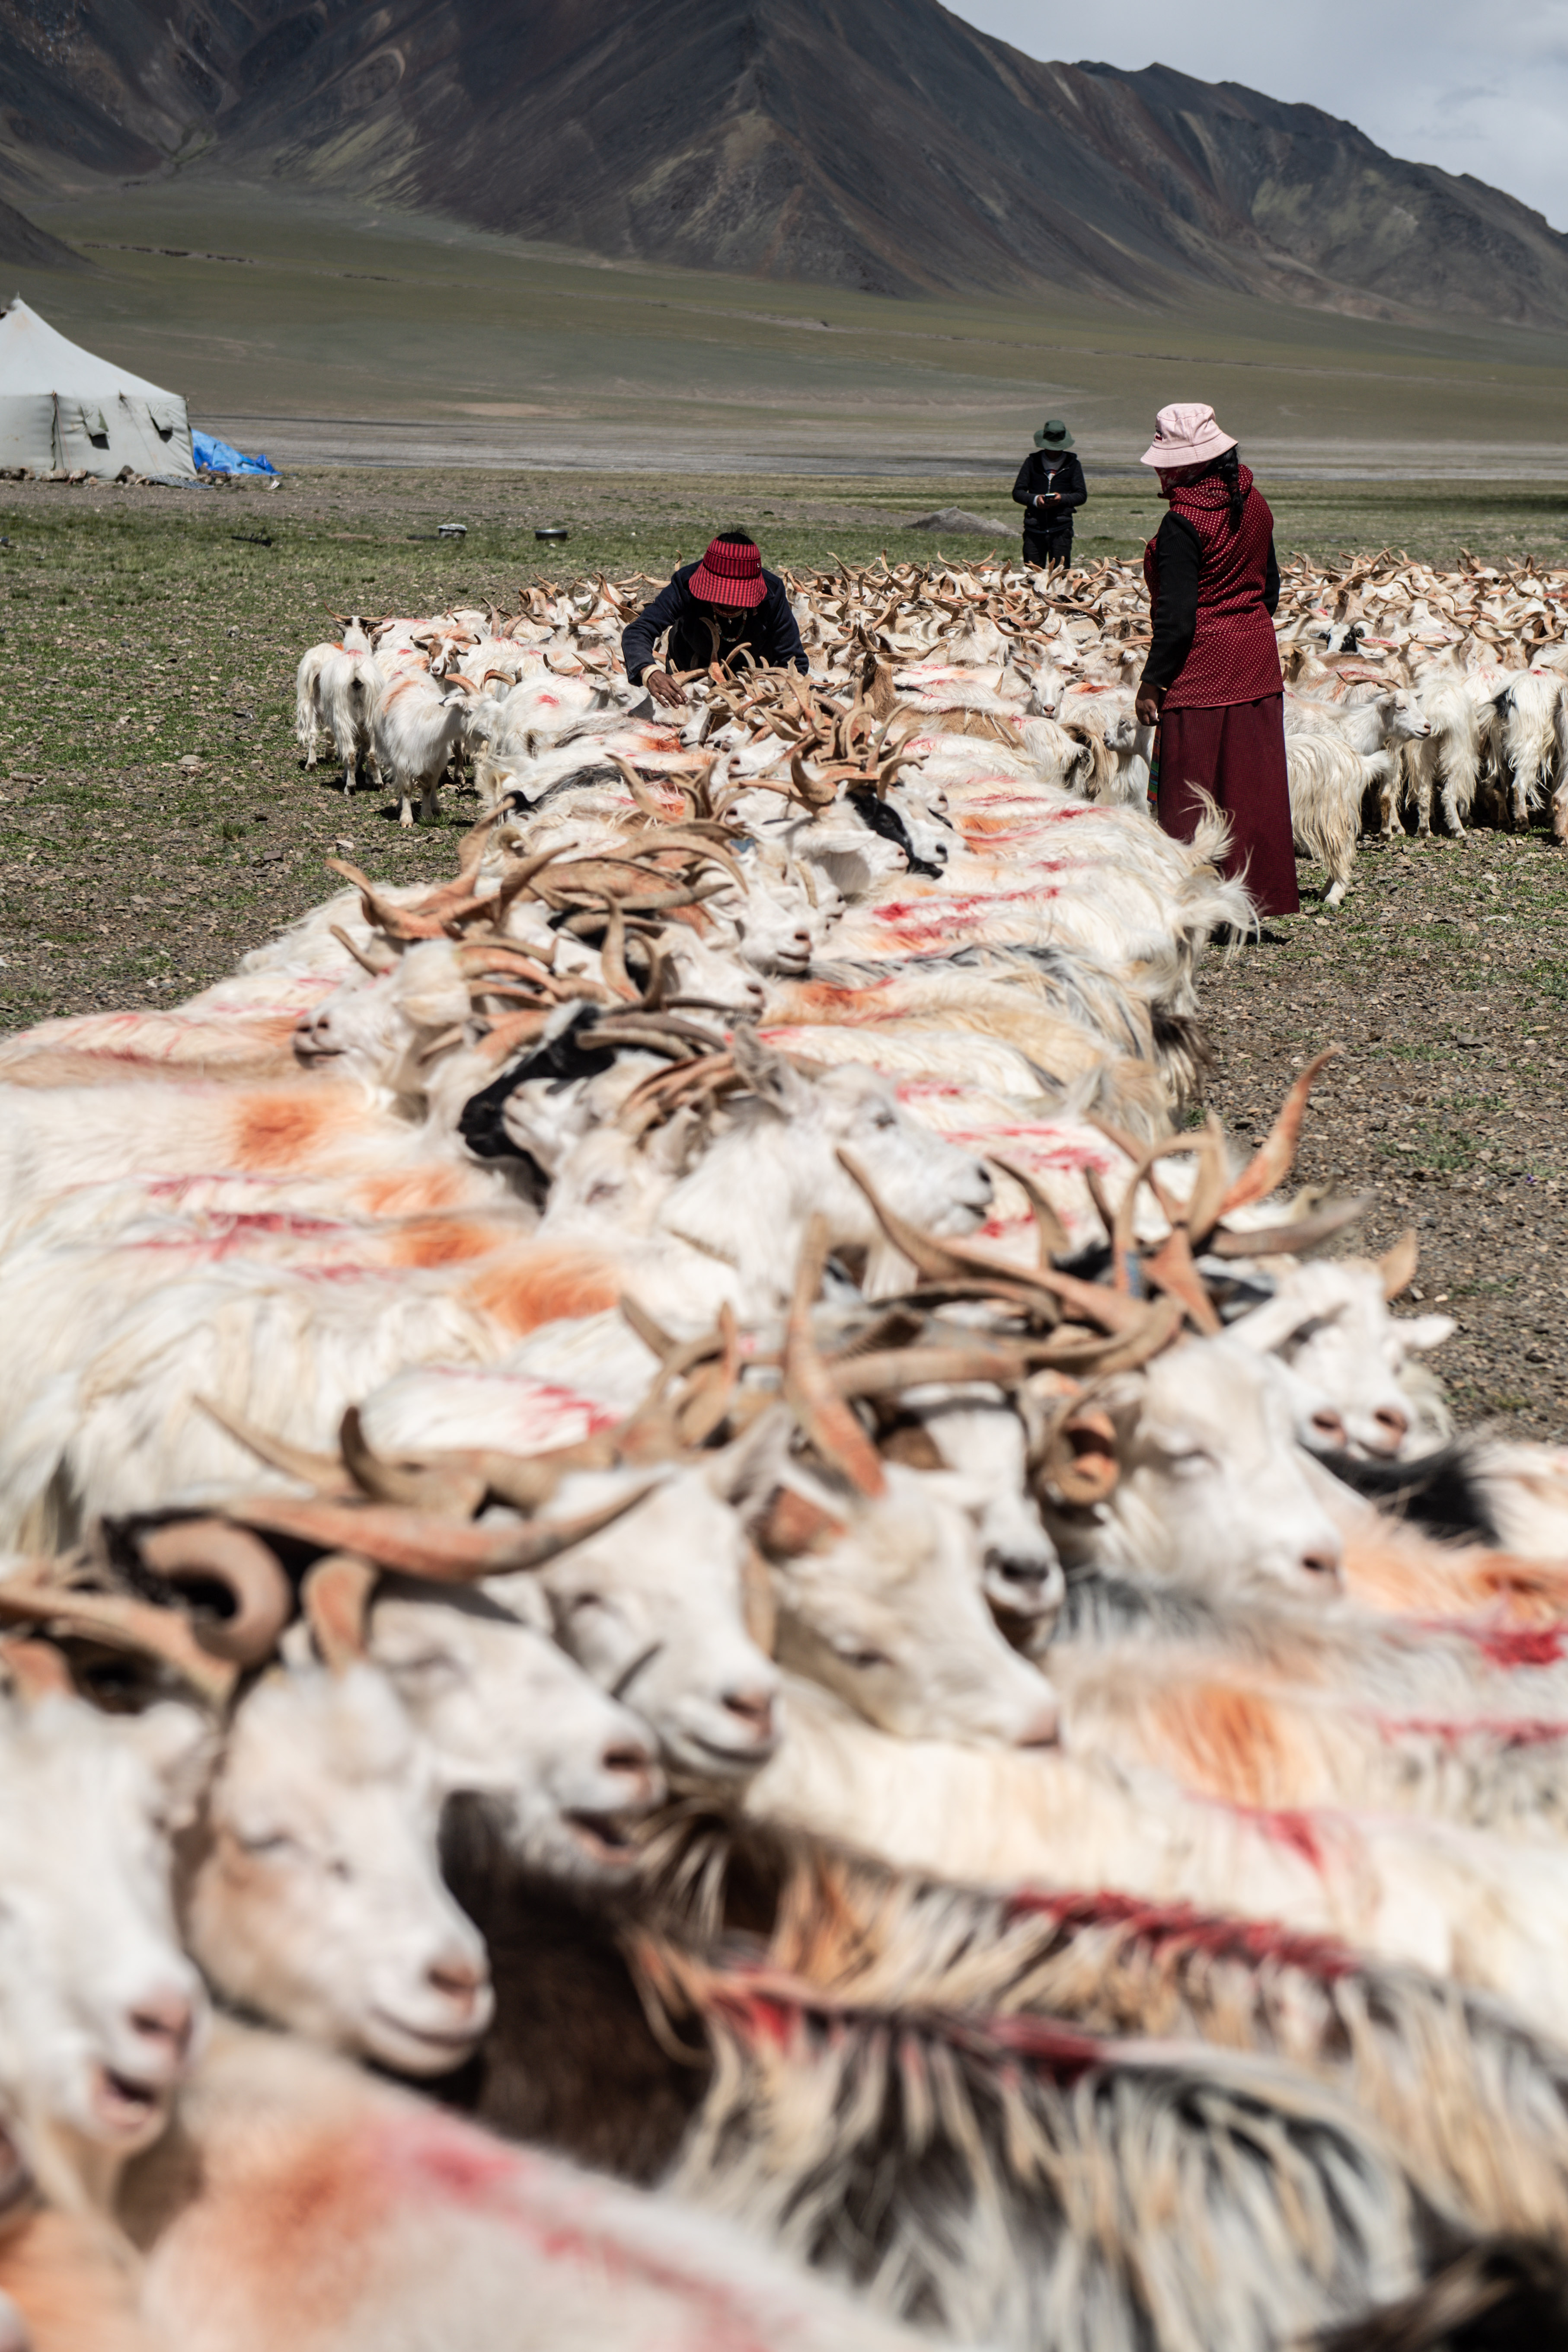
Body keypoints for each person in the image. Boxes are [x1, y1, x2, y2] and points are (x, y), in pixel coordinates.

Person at [1133, 402, 1298, 919]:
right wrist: (1243, 627)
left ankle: (1192, 902)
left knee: (1190, 789)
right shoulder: (1256, 504)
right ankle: (1254, 898)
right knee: (1253, 786)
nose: (1160, 470)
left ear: (1186, 465)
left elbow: (1176, 618)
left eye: (1166, 461)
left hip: (1201, 669)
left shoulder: (1183, 522)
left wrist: (1152, 684)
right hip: (1255, 658)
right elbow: (1268, 589)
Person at [622, 530, 808, 708]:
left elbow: (794, 661)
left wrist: (769, 690)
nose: (727, 603)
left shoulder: (772, 593)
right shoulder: (685, 583)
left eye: (738, 597)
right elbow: (639, 631)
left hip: (751, 682)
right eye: (720, 595)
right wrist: (649, 672)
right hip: (688, 675)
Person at [1011, 419, 1086, 569]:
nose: (1054, 450)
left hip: (1061, 529)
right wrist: (1035, 500)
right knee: (1033, 575)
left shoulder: (1073, 464)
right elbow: (1018, 492)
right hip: (1034, 528)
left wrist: (1062, 499)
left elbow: (1081, 495)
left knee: (1059, 576)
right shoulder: (1032, 462)